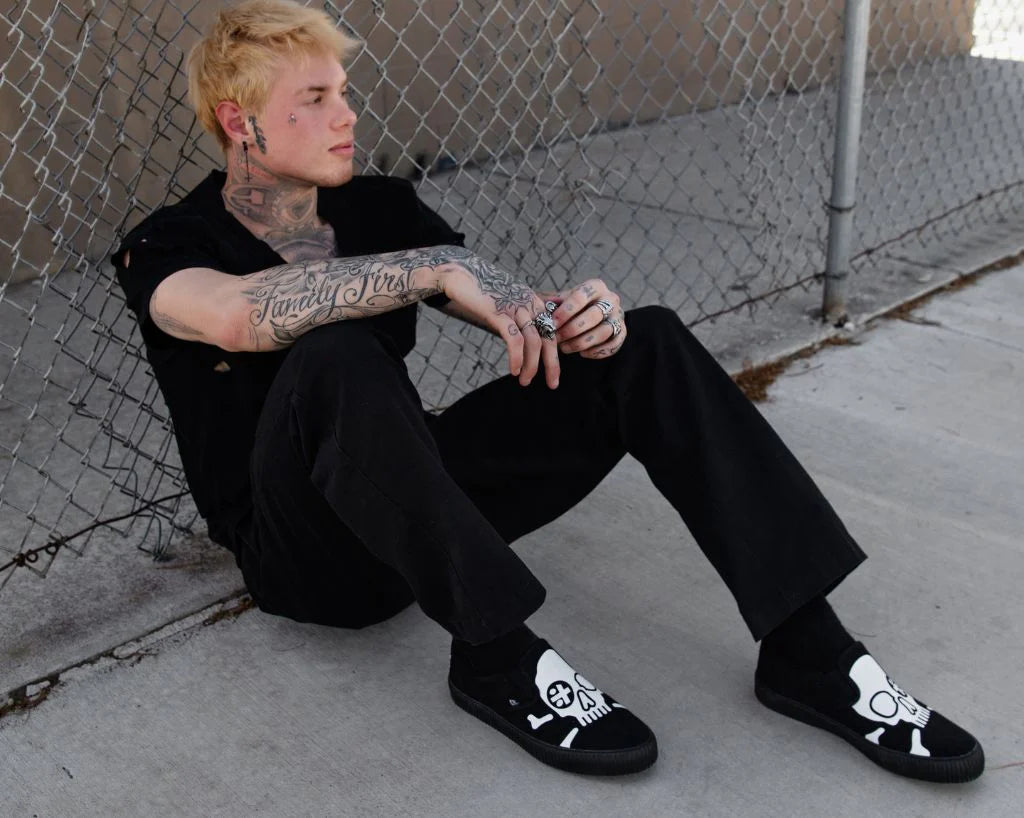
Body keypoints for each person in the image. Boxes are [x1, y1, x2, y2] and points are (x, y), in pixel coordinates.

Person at [113, 0, 983, 782]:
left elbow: (504, 303)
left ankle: (809, 650)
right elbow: (235, 316)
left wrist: (576, 317)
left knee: (646, 342)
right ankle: (495, 655)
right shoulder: (168, 243)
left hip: (411, 507)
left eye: (344, 92)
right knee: (333, 354)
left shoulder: (377, 208)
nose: (346, 116)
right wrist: (430, 268)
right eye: (314, 99)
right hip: (308, 557)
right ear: (240, 121)